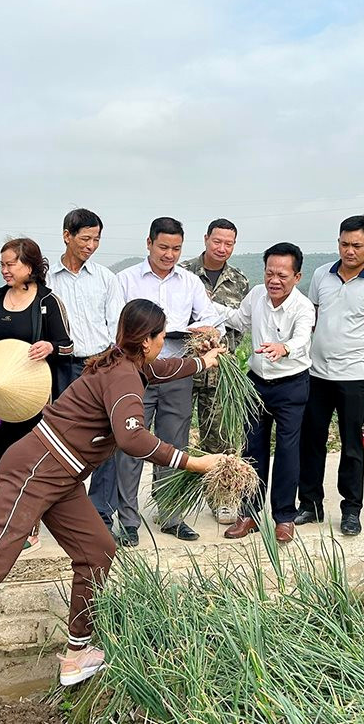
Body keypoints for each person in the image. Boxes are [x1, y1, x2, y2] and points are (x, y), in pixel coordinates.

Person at [0, 300, 228, 724]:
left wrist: (200, 362)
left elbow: (161, 370)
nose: (160, 347)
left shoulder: (125, 364)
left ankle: (77, 652)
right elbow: (132, 440)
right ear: (149, 341)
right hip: (34, 470)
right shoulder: (122, 377)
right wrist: (196, 462)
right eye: (160, 337)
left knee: (98, 549)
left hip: (60, 476)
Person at [114, 217, 223, 544]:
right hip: (137, 374)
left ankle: (171, 514)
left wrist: (195, 329)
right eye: (163, 247)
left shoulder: (189, 282)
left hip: (178, 371)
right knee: (132, 444)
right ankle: (128, 520)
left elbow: (210, 316)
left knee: (173, 443)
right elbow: (115, 325)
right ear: (149, 244)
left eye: (176, 249)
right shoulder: (126, 280)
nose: (169, 254)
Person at [296, 215, 364, 536]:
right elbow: (310, 318)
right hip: (317, 375)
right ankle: (310, 504)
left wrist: (360, 355)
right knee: (311, 441)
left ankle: (351, 509)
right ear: (337, 241)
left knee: (352, 445)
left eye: (356, 245)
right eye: (344, 244)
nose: (349, 251)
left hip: (354, 378)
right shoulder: (320, 276)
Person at [220, 243, 315, 543]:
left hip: (291, 385)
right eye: (269, 273)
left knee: (288, 451)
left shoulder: (303, 307)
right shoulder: (257, 295)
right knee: (252, 449)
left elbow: (301, 339)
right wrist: (209, 320)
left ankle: (284, 517)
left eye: (282, 275)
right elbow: (238, 320)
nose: (274, 280)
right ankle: (249, 513)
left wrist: (283, 347)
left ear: (297, 277)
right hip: (257, 383)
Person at [46, 209, 125, 534]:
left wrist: (108, 360)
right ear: (67, 236)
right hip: (59, 366)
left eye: (96, 239)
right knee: (61, 437)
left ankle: (101, 514)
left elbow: (117, 325)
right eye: (85, 238)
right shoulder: (47, 280)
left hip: (100, 364)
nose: (91, 245)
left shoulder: (106, 278)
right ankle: (62, 509)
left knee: (106, 437)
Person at [0, 238, 74, 491]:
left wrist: (50, 347)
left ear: (30, 266)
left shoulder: (47, 302)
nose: (5, 270)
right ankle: (2, 512)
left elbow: (68, 346)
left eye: (11, 264)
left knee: (30, 457)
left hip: (34, 399)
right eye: (2, 265)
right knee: (0, 454)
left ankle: (29, 520)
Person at [180, 218, 250, 525]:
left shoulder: (239, 281)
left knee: (220, 438)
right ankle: (174, 501)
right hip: (183, 369)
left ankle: (222, 499)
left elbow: (240, 327)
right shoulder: (182, 273)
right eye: (217, 241)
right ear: (206, 238)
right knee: (175, 436)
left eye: (229, 243)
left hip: (221, 373)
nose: (222, 248)